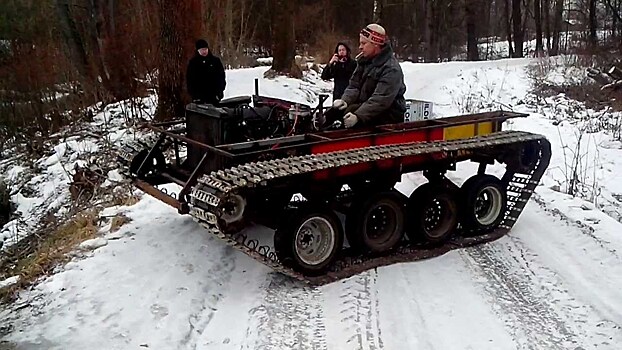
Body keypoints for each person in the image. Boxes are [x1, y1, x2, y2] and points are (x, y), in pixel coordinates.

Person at [331, 24, 406, 128]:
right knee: (334, 114)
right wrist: (345, 100)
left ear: (375, 44)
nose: (360, 47)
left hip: (388, 117)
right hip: (367, 108)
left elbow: (380, 100)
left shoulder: (391, 69)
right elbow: (354, 86)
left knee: (348, 118)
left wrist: (358, 116)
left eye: (363, 43)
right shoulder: (364, 61)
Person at [186, 39, 226, 105]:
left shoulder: (215, 61)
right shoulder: (193, 63)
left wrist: (219, 92)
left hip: (214, 96)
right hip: (199, 98)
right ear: (198, 51)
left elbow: (221, 77)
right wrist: (195, 95)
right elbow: (190, 80)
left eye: (205, 49)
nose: (204, 51)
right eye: (201, 50)